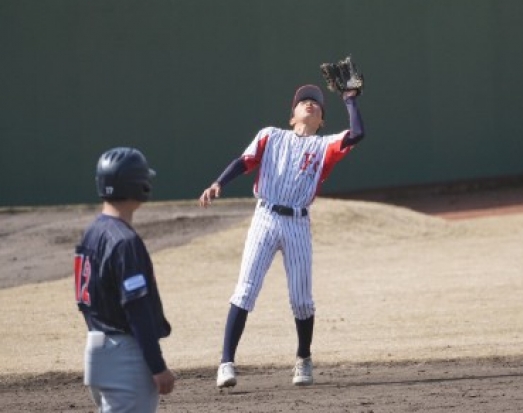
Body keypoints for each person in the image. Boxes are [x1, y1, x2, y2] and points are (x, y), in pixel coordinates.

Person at [199, 84, 365, 388]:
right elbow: (244, 161)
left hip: (297, 223)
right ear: (292, 116)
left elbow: (356, 134)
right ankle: (226, 363)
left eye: (316, 103)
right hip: (265, 217)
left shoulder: (325, 146)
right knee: (245, 291)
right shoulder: (271, 136)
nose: (310, 104)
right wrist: (219, 182)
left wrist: (350, 100)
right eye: (303, 101)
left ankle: (303, 358)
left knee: (301, 300)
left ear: (322, 121)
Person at [75, 147, 175, 412]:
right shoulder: (125, 241)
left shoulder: (92, 232)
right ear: (136, 184)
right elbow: (137, 309)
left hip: (96, 351)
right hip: (126, 357)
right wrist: (157, 365)